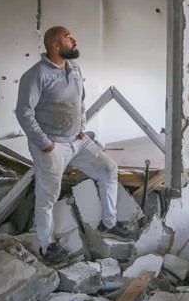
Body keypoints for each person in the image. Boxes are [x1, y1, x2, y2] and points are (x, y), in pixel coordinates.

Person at [16, 26, 132, 263]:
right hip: (52, 144)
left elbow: (80, 101)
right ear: (55, 45)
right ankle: (46, 247)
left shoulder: (75, 69)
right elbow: (24, 112)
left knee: (108, 168)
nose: (74, 40)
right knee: (48, 196)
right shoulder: (36, 74)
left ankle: (108, 223)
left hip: (77, 140)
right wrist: (45, 144)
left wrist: (81, 128)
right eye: (69, 38)